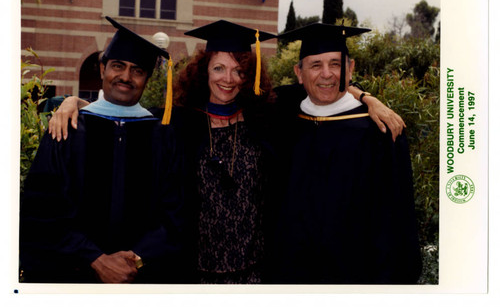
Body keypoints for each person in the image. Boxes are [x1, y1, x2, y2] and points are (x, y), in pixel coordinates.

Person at [46, 20, 406, 284]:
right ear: (204, 72)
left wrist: (366, 98)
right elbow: (121, 107)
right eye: (219, 68)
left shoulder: (269, 117)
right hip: (189, 273)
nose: (228, 79)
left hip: (257, 274)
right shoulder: (177, 123)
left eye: (239, 70)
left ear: (249, 74)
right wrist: (73, 103)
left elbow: (321, 89)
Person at [19, 16, 185, 284]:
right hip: (73, 278)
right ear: (102, 69)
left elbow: (175, 214)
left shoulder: (162, 136)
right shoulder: (66, 128)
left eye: (137, 70)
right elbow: (42, 209)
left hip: (140, 278)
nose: (126, 77)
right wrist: (94, 258)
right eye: (118, 66)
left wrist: (136, 259)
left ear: (146, 78)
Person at [267, 23, 422, 284]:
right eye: (315, 65)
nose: (326, 74)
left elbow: (397, 224)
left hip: (357, 278)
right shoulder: (284, 119)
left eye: (336, 64)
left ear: (350, 69)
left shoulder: (381, 132)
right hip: (293, 275)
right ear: (299, 72)